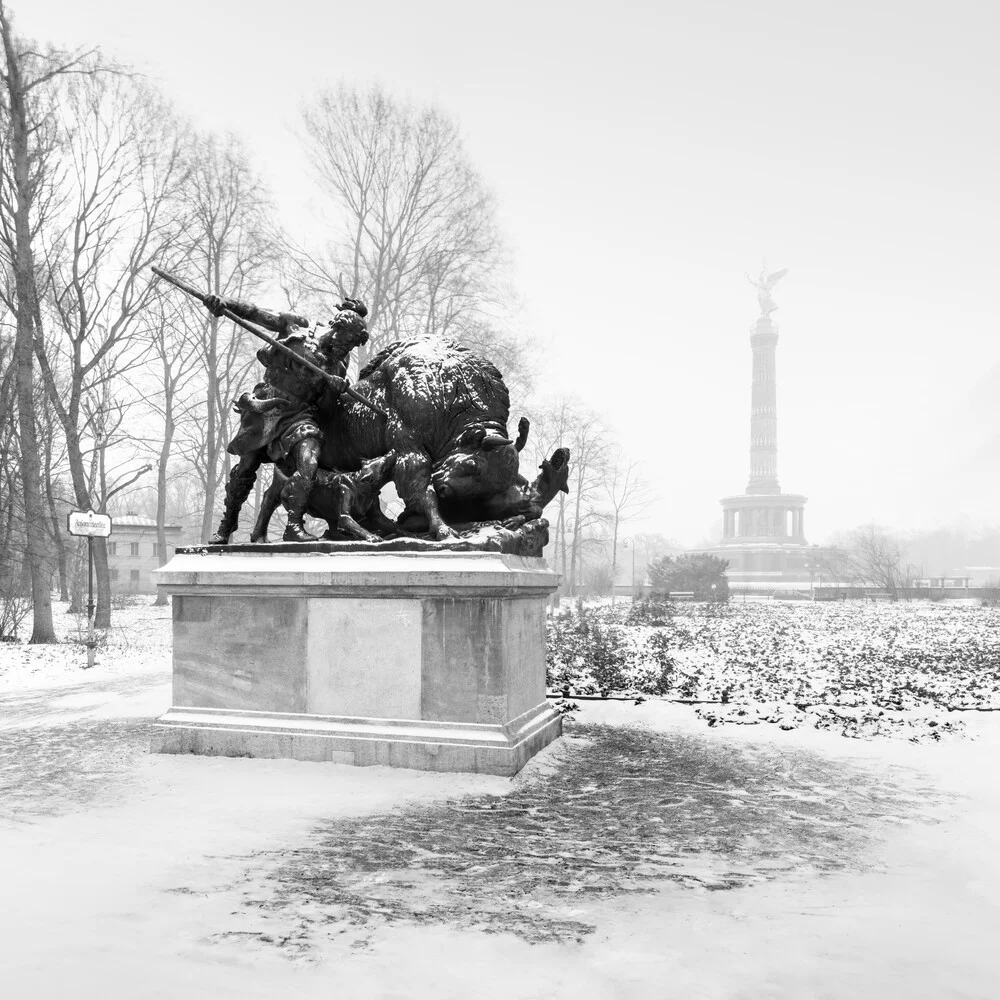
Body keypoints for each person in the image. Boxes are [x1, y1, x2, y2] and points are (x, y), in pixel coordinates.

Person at [202, 293, 369, 543]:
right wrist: (224, 304)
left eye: (352, 346)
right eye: (346, 342)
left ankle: (293, 525)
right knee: (246, 467)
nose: (346, 349)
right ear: (338, 328)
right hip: (268, 405)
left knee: (309, 459)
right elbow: (256, 312)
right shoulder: (298, 326)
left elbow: (325, 410)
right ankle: (227, 525)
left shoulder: (339, 363)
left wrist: (333, 391)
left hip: (300, 415)